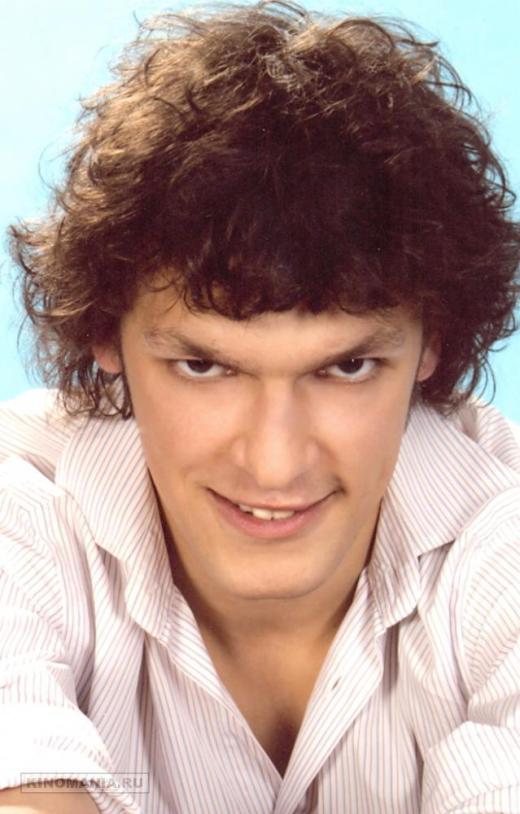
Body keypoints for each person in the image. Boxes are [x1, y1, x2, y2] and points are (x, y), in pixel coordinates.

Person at [1, 2, 519, 812]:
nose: (274, 464)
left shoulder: (500, 535)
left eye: (346, 367)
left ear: (434, 345)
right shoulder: (24, 504)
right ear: (106, 334)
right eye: (204, 366)